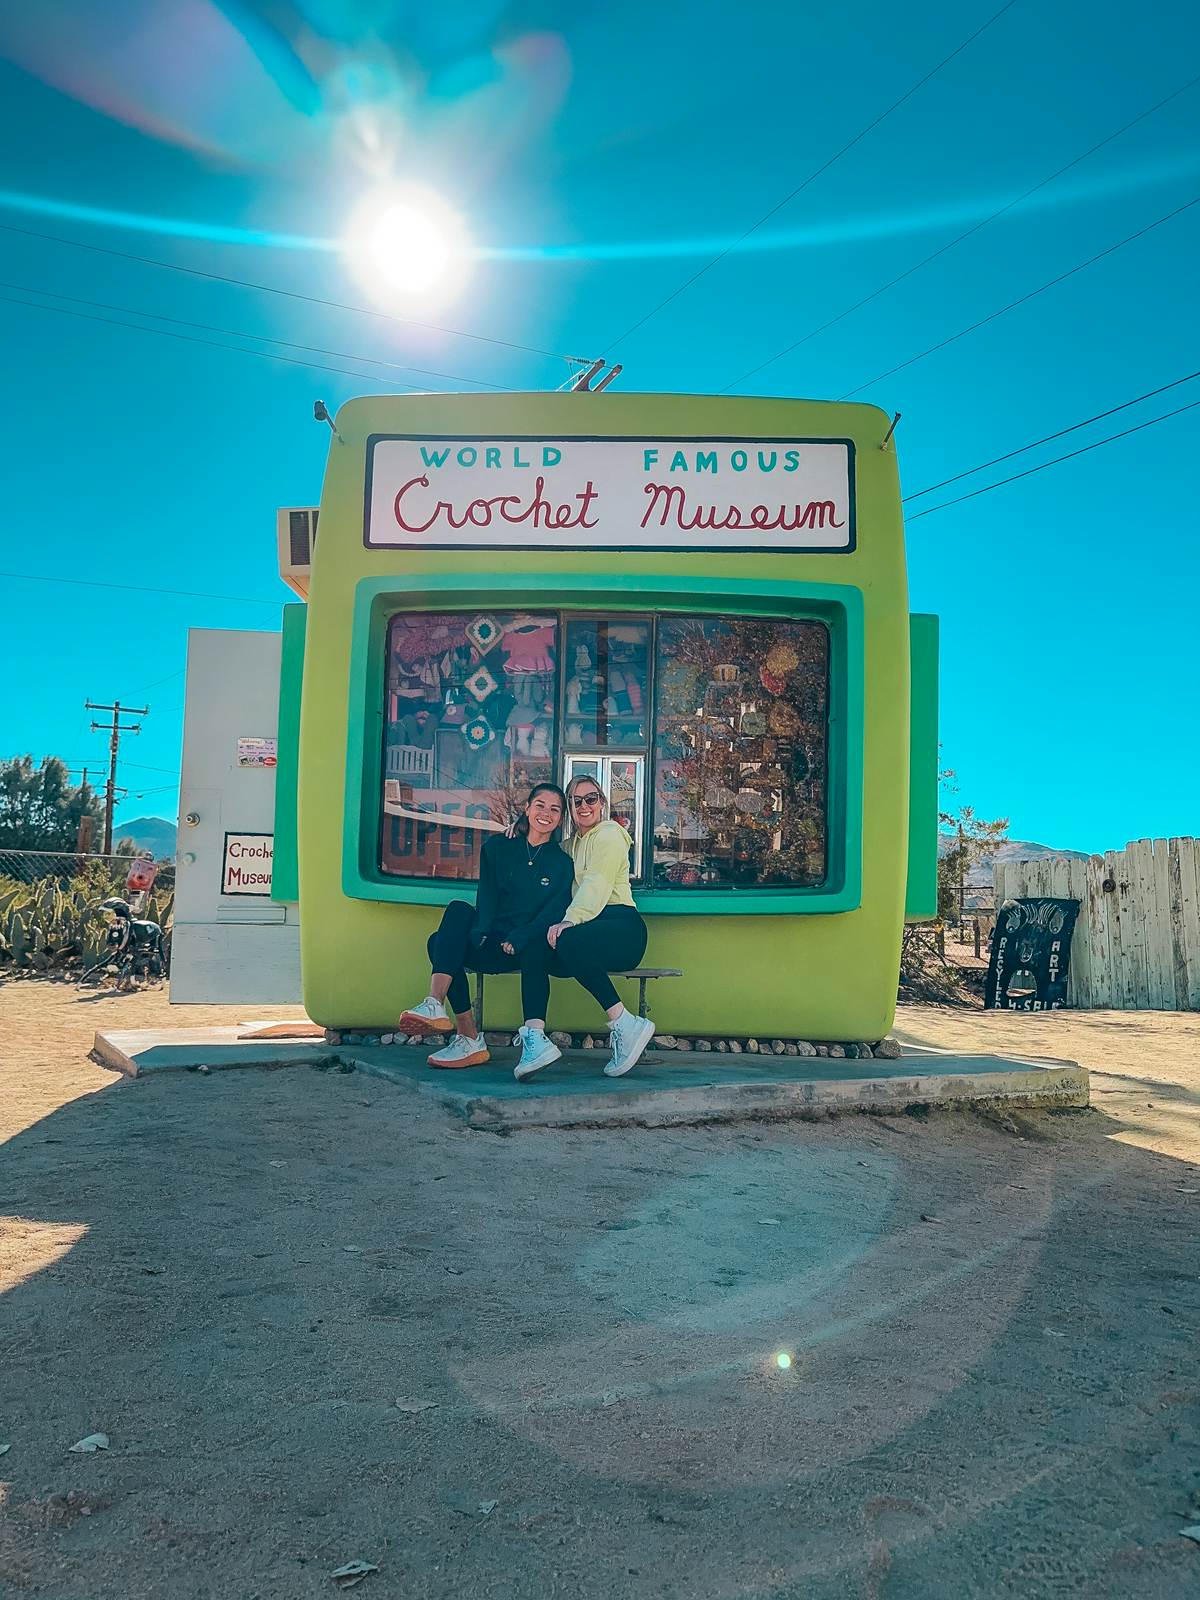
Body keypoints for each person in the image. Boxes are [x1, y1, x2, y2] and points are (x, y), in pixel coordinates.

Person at [398, 784, 573, 1070]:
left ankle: (467, 1035)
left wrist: (519, 936)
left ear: (561, 818)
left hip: (523, 948)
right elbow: (487, 896)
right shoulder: (498, 846)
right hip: (489, 941)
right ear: (527, 809)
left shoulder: (562, 864)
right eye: (540, 805)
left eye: (555, 809)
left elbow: (552, 914)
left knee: (444, 943)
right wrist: (480, 931)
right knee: (447, 926)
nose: (546, 813)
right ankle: (440, 1009)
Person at [516, 774, 655, 1081]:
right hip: (589, 933)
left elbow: (597, 883)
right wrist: (519, 833)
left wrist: (570, 919)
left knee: (568, 940)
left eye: (590, 798)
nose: (583, 806)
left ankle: (624, 1023)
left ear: (602, 803)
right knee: (535, 946)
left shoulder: (609, 834)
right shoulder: (574, 844)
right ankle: (535, 1037)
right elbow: (544, 849)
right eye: (575, 801)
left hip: (622, 929)